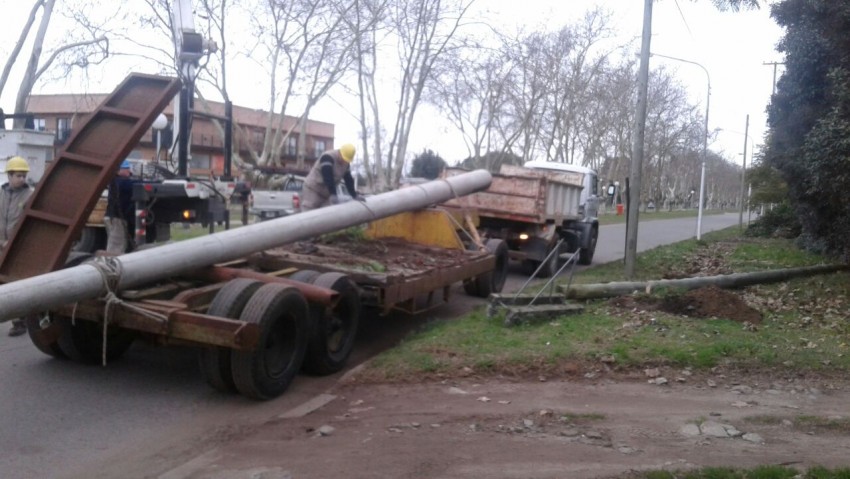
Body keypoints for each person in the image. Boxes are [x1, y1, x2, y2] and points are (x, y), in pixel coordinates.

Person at [0, 156, 33, 336]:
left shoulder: (30, 195)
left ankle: (19, 322)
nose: (22, 179)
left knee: (15, 283)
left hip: (17, 246)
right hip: (0, 244)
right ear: (9, 176)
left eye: (24, 176)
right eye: (18, 176)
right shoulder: (1, 193)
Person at [300, 143, 360, 211]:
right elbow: (328, 176)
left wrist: (354, 195)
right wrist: (333, 193)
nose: (344, 162)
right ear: (340, 153)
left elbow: (348, 179)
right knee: (309, 214)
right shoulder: (327, 157)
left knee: (326, 216)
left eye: (346, 160)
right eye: (343, 159)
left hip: (326, 194)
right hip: (313, 190)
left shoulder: (346, 164)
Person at [104, 160, 135, 254]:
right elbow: (135, 184)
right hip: (117, 218)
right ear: (118, 171)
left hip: (113, 217)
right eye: (126, 169)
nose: (129, 171)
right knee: (116, 246)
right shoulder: (122, 182)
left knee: (118, 244)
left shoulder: (116, 181)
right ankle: (111, 266)